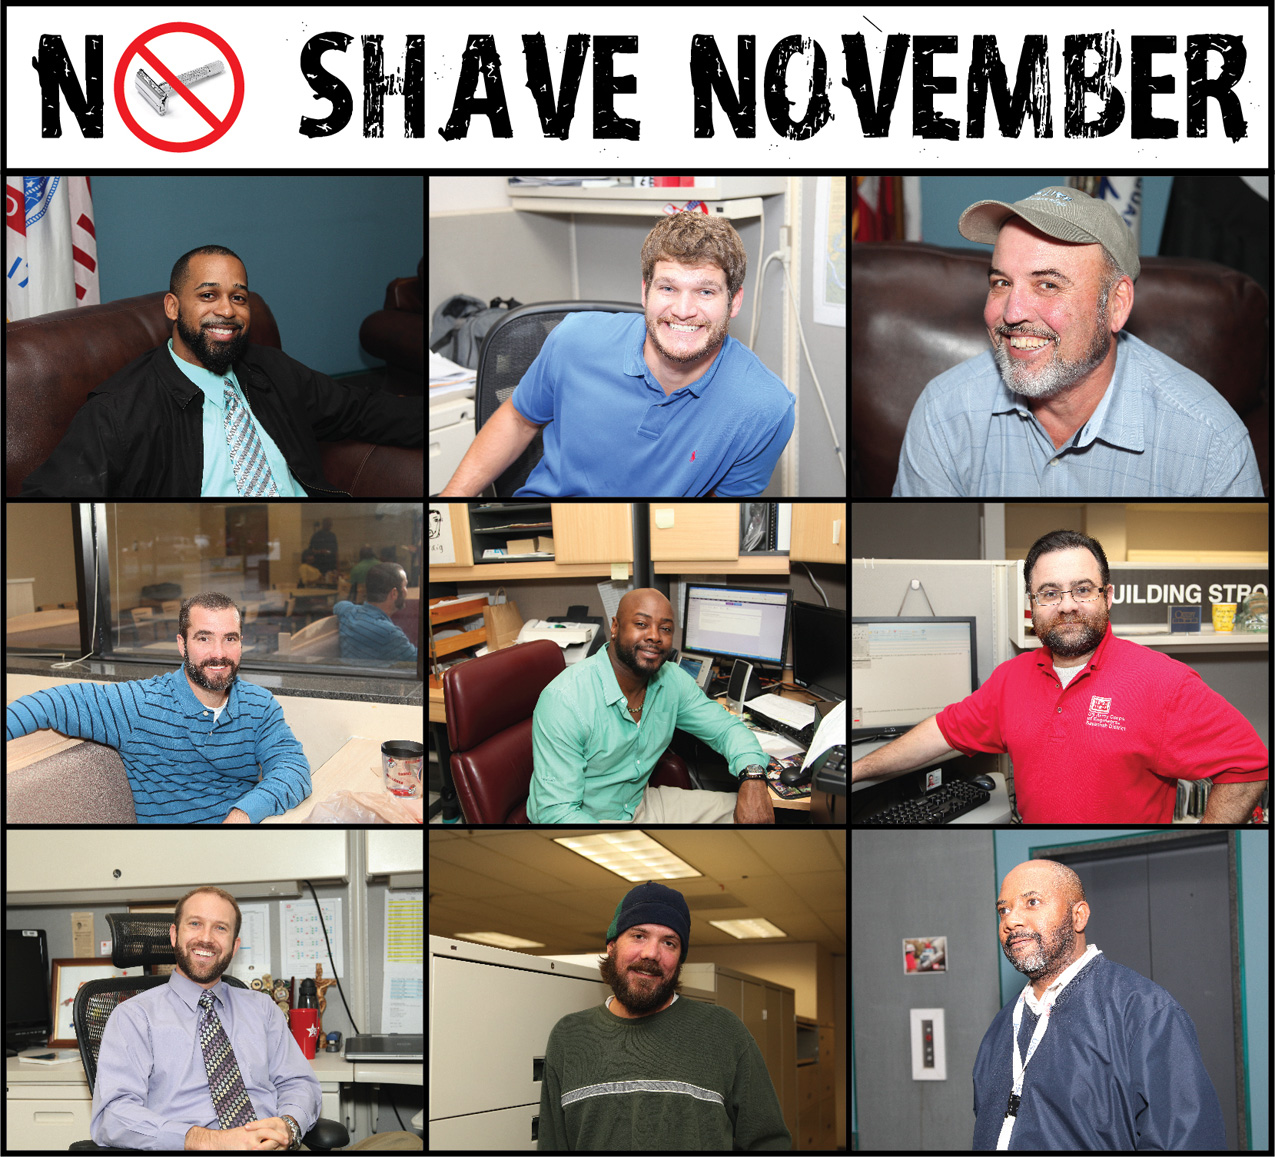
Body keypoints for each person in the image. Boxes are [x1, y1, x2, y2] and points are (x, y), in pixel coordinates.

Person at [851, 530, 1268, 822]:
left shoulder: (1163, 683)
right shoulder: (1010, 679)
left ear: (1107, 596)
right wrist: (855, 770)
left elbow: (1249, 765)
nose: (1066, 605)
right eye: (1049, 593)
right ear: (1032, 606)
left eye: (1082, 589)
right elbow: (939, 733)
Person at [892, 186, 1263, 496]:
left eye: (1048, 284)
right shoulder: (944, 412)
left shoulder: (1210, 445)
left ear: (1116, 306)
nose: (1011, 312)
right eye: (1001, 283)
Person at [436, 213, 794, 497]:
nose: (683, 310)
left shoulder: (766, 408)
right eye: (667, 287)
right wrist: (448, 506)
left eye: (705, 291)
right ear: (645, 292)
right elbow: (518, 419)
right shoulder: (574, 340)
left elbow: (722, 508)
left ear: (734, 302)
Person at [20, 245, 423, 496]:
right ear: (173, 308)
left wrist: (464, 412)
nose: (227, 310)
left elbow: (363, 410)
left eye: (239, 297)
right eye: (208, 295)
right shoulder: (118, 411)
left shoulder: (270, 369)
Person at [91, 886, 422, 1150]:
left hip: (276, 1146)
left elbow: (299, 1083)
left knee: (405, 1141)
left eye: (220, 928)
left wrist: (288, 1125)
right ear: (175, 935)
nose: (206, 938)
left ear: (234, 947)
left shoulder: (262, 1008)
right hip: (195, 1147)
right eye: (195, 924)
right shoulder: (134, 1017)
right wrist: (210, 1142)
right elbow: (114, 1117)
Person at [973, 861, 1225, 1150]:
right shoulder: (1001, 1028)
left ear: (1078, 916)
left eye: (1032, 902)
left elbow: (1187, 1141)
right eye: (1003, 910)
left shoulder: (1145, 1012)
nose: (1011, 921)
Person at [5, 593, 312, 823]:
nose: (219, 654)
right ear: (182, 644)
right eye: (204, 638)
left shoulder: (259, 705)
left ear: (241, 643)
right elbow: (54, 703)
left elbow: (294, 769)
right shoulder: (141, 706)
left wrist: (244, 813)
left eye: (229, 639)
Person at [537, 883, 791, 1151]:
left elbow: (769, 1141)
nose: (651, 954)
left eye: (669, 943)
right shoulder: (569, 1037)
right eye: (638, 936)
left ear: (680, 959)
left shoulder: (723, 1032)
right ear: (612, 946)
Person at [528, 588, 776, 823]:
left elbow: (726, 729)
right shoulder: (566, 699)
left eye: (665, 628)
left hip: (639, 804)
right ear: (615, 627)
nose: (654, 636)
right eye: (641, 624)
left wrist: (753, 777)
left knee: (750, 814)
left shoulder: (672, 680)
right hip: (587, 818)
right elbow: (555, 813)